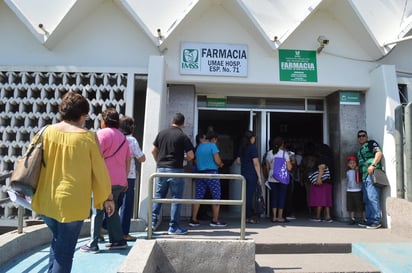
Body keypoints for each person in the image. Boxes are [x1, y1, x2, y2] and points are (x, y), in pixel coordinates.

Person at [31, 91, 114, 273]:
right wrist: (108, 197)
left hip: (46, 200)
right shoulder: (88, 137)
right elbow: (100, 172)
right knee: (65, 252)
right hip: (72, 204)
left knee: (58, 241)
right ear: (82, 115)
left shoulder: (46, 131)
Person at [81, 108, 131, 252]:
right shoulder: (123, 137)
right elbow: (128, 159)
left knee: (98, 210)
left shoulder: (101, 135)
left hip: (103, 179)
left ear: (104, 121)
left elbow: (95, 157)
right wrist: (125, 178)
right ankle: (118, 240)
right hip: (120, 179)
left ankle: (93, 243)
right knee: (112, 210)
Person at [151, 112, 195, 235]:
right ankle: (173, 227)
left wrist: (159, 162)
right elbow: (191, 155)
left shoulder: (162, 133)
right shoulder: (182, 136)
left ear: (172, 122)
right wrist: (184, 158)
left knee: (159, 196)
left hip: (161, 169)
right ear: (183, 124)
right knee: (176, 198)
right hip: (176, 169)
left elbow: (153, 150)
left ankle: (152, 224)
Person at [189, 130, 226, 227]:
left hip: (200, 174)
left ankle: (193, 219)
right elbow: (217, 160)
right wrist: (221, 164)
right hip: (212, 173)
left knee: (198, 196)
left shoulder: (199, 146)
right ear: (214, 139)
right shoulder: (212, 146)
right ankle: (215, 220)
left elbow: (196, 162)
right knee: (216, 196)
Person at [118, 116, 146, 241]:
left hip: (114, 175)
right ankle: (124, 232)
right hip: (128, 175)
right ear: (130, 127)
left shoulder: (117, 138)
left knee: (114, 201)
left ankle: (104, 225)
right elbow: (141, 157)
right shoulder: (132, 140)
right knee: (126, 204)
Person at [356, 130, 384, 229]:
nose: (361, 137)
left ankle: (376, 221)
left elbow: (379, 154)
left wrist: (373, 165)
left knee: (373, 197)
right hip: (364, 176)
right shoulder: (359, 151)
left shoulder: (371, 143)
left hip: (372, 174)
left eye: (363, 135)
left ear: (367, 137)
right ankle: (369, 220)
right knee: (367, 199)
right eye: (359, 136)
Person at [236, 130, 263, 224]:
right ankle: (248, 216)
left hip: (244, 174)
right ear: (251, 138)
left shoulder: (242, 148)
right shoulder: (252, 148)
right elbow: (256, 163)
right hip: (252, 175)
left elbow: (238, 161)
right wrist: (259, 177)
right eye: (254, 137)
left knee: (246, 195)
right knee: (249, 196)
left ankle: (246, 215)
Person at [265, 137, 292, 223]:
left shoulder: (269, 154)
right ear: (282, 145)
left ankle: (274, 217)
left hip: (272, 176)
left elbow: (267, 167)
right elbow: (289, 167)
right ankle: (280, 217)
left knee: (274, 197)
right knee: (282, 197)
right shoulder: (285, 154)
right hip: (282, 177)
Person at [309, 144, 333, 222]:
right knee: (327, 200)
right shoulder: (330, 159)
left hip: (322, 181)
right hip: (328, 181)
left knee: (320, 199)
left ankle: (318, 216)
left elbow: (322, 167)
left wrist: (318, 179)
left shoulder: (322, 158)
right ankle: (328, 216)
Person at [345, 155, 365, 225]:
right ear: (348, 164)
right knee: (351, 206)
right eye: (350, 163)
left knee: (360, 205)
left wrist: (357, 171)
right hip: (349, 190)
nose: (352, 164)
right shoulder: (347, 172)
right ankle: (352, 218)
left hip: (358, 190)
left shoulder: (359, 171)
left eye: (354, 163)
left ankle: (364, 218)